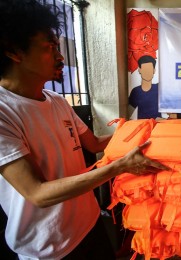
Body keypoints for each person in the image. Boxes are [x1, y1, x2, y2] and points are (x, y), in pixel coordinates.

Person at [0, 1, 168, 259]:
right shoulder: (4, 112)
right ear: (13, 51)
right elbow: (37, 193)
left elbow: (94, 144)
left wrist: (147, 133)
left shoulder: (56, 100)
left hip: (89, 226)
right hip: (50, 247)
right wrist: (119, 166)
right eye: (49, 47)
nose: (60, 56)